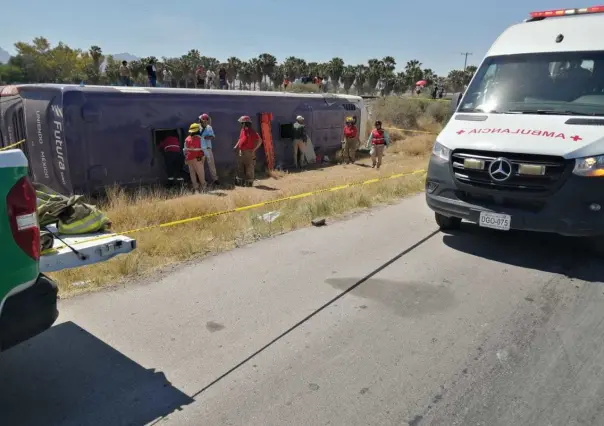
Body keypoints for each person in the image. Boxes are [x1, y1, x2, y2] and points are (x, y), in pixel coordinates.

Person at [233, 115, 262, 186]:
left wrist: (254, 149)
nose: (241, 124)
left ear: (245, 123)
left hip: (248, 152)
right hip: (241, 151)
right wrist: (236, 146)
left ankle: (249, 182)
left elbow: (260, 140)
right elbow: (240, 139)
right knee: (240, 167)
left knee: (249, 167)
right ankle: (241, 182)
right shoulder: (242, 130)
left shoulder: (252, 132)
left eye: (242, 123)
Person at [184, 123, 206, 192]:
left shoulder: (187, 139)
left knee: (192, 174)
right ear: (197, 130)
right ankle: (203, 187)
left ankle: (195, 188)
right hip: (198, 159)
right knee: (201, 174)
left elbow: (185, 150)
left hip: (189, 159)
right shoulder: (200, 138)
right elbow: (204, 148)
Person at [199, 113, 219, 185]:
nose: (205, 121)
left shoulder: (209, 127)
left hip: (208, 148)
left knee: (211, 164)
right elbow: (197, 136)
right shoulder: (198, 127)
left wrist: (208, 137)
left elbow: (212, 136)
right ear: (201, 120)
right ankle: (202, 180)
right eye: (203, 119)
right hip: (200, 149)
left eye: (206, 119)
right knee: (200, 165)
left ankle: (215, 179)